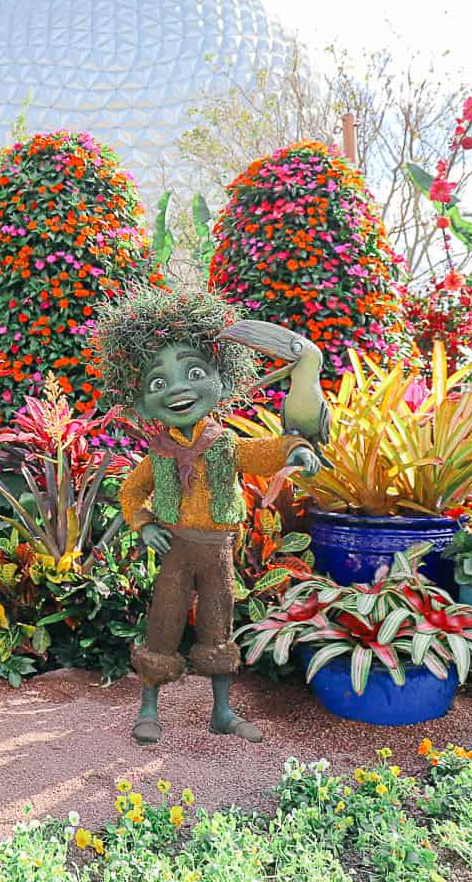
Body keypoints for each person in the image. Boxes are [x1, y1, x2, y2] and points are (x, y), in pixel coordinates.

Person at [93, 285, 323, 745]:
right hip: (177, 551)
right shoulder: (157, 454)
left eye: (193, 373)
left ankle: (222, 711)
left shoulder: (225, 445)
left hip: (218, 553)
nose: (178, 389)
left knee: (219, 629)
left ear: (220, 380)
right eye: (158, 384)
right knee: (163, 624)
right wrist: (144, 523)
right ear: (141, 403)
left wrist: (297, 449)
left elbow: (264, 451)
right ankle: (149, 709)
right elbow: (129, 492)